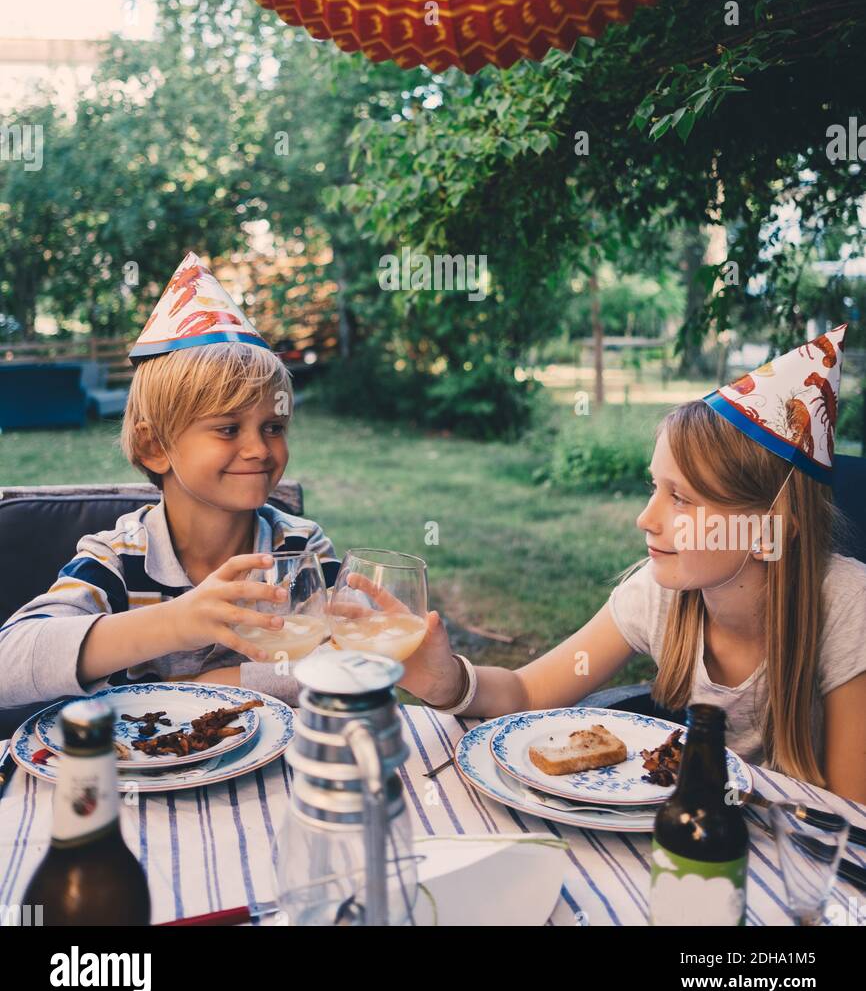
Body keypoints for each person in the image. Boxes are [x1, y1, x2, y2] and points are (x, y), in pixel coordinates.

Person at [398, 324, 866, 802]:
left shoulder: (848, 610)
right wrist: (450, 681)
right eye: (655, 488)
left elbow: (852, 814)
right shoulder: (661, 595)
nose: (646, 519)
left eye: (681, 499)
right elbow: (525, 692)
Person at [0, 251, 337, 710]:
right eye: (228, 428)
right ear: (154, 447)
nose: (260, 448)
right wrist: (177, 622)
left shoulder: (299, 548)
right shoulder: (117, 559)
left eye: (273, 427)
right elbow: (10, 664)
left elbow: (347, 660)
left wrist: (223, 682)